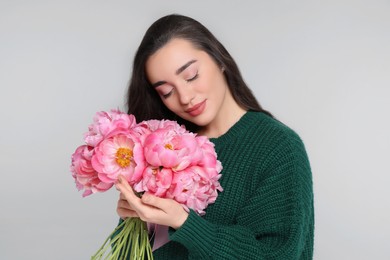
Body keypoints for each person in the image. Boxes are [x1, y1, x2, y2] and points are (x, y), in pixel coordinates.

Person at [114, 14, 314, 259]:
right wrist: (132, 223)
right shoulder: (163, 149)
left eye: (191, 76)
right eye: (167, 92)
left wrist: (184, 223)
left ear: (219, 59)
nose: (185, 97)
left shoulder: (279, 148)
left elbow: (276, 255)